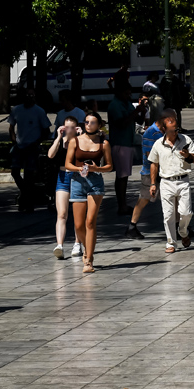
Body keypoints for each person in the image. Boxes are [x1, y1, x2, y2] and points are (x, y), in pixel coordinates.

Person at [66, 112, 113, 273]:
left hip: (95, 182)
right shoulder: (75, 141)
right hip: (78, 181)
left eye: (92, 122)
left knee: (90, 221)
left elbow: (109, 166)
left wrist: (96, 168)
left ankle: (89, 260)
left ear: (99, 125)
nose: (88, 125)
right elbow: (68, 163)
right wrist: (80, 168)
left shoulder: (104, 143)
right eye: (86, 122)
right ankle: (87, 247)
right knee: (79, 225)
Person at [148, 109, 194, 253]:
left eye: (176, 129)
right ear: (164, 129)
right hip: (166, 182)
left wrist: (188, 155)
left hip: (183, 180)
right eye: (172, 130)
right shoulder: (158, 144)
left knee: (186, 212)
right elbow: (154, 164)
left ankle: (183, 232)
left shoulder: (185, 140)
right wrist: (153, 183)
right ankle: (171, 242)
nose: (175, 132)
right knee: (168, 215)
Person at [8, 88, 50, 212]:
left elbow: (46, 130)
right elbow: (11, 127)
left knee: (29, 175)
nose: (29, 97)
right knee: (15, 172)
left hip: (32, 146)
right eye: (27, 95)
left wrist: (36, 142)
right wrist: (13, 140)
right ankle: (26, 195)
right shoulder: (16, 110)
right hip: (19, 145)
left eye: (31, 95)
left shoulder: (39, 111)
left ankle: (27, 201)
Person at [46, 116, 82, 258]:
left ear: (76, 127)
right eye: (66, 127)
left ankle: (77, 243)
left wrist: (81, 136)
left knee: (78, 214)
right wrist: (57, 138)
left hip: (77, 178)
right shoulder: (60, 141)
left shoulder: (80, 141)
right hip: (62, 177)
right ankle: (59, 245)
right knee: (61, 213)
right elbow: (50, 155)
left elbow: (83, 156)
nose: (69, 130)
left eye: (72, 127)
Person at [128, 116, 163, 240]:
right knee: (143, 199)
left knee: (173, 199)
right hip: (150, 172)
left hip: (162, 172)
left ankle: (180, 227)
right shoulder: (151, 133)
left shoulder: (163, 131)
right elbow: (150, 155)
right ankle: (132, 226)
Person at [106, 82, 139, 215]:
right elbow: (122, 123)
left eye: (129, 93)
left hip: (127, 142)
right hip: (120, 143)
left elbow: (138, 120)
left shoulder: (127, 103)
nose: (129, 95)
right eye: (126, 93)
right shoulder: (115, 105)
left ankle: (123, 203)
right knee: (121, 175)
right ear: (119, 92)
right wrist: (136, 111)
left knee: (124, 175)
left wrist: (141, 110)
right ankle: (122, 205)